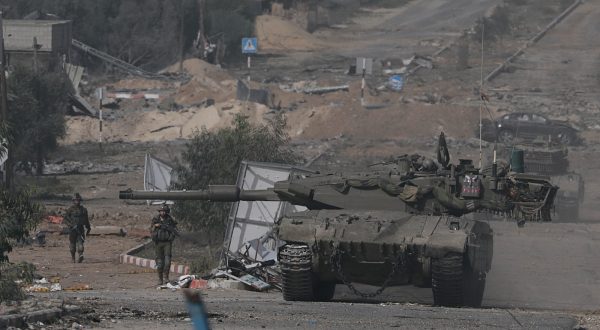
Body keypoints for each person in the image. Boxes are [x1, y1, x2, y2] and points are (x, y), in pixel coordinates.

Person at [150, 204, 178, 285]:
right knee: (159, 262)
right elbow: (151, 229)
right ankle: (160, 279)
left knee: (167, 261)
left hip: (167, 243)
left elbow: (175, 229)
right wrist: (156, 226)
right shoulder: (156, 219)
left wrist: (171, 237)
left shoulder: (170, 219)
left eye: (164, 211)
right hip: (158, 243)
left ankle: (166, 278)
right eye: (161, 211)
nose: (162, 213)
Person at [64, 193, 91, 263]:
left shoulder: (84, 210)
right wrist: (70, 225)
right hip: (72, 230)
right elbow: (65, 219)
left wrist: (88, 228)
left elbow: (86, 220)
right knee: (72, 246)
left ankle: (80, 256)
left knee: (81, 246)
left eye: (78, 200)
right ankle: (73, 258)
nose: (77, 202)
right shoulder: (70, 210)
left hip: (80, 229)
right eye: (75, 200)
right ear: (73, 201)